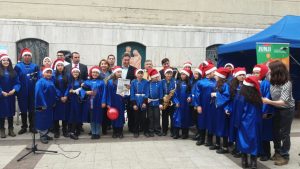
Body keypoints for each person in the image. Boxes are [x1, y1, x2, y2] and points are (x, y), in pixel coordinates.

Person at [262, 60, 295, 166]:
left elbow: (283, 102)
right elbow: (260, 75)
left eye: (270, 69)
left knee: (284, 133)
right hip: (275, 108)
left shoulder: (287, 84)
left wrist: (268, 101)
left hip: (286, 109)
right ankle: (277, 152)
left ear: (276, 70)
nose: (268, 71)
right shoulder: (270, 78)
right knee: (275, 131)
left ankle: (285, 156)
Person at [236, 76, 262, 169]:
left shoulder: (241, 95)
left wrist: (236, 122)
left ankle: (244, 160)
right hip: (255, 122)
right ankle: (254, 162)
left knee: (243, 140)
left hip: (244, 122)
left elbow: (239, 111)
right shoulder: (258, 95)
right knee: (254, 140)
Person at [14, 48, 39, 134]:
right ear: (23, 57)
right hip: (22, 92)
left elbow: (38, 78)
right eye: (25, 55)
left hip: (32, 92)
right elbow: (15, 79)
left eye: (29, 55)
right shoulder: (18, 66)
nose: (27, 57)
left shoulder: (35, 66)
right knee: (23, 110)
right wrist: (17, 90)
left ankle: (32, 126)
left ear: (31, 57)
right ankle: (24, 126)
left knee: (32, 110)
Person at [252, 64, 274, 161]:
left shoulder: (266, 84)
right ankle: (259, 151)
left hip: (266, 113)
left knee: (265, 132)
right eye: (254, 73)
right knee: (258, 132)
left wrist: (263, 112)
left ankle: (266, 153)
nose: (256, 74)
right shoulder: (254, 83)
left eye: (258, 73)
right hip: (258, 112)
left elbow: (267, 99)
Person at [194, 63, 217, 146]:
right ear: (209, 72)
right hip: (203, 105)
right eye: (214, 71)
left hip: (213, 106)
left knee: (211, 122)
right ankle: (201, 139)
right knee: (202, 121)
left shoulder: (216, 81)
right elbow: (197, 94)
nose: (215, 73)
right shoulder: (200, 82)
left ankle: (209, 140)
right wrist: (198, 105)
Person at [82, 66, 106, 139]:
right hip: (90, 103)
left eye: (96, 72)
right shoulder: (87, 82)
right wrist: (86, 92)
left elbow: (104, 92)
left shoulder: (102, 82)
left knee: (98, 117)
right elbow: (81, 90)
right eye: (93, 72)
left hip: (98, 102)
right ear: (91, 73)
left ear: (98, 74)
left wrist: (103, 102)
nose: (94, 74)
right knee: (92, 118)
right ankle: (93, 132)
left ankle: (97, 132)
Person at [227, 67, 246, 158]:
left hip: (242, 112)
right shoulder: (232, 85)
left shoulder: (247, 86)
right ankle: (236, 147)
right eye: (240, 75)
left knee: (241, 130)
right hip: (234, 111)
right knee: (234, 129)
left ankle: (241, 149)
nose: (242, 76)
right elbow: (229, 100)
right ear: (236, 76)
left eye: (243, 75)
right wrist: (228, 109)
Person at [0, 54, 20, 138]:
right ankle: (2, 129)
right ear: (1, 61)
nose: (6, 61)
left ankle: (11, 129)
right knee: (1, 113)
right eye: (4, 60)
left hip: (10, 95)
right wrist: (1, 91)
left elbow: (17, 83)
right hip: (1, 96)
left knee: (11, 113)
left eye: (7, 60)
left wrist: (14, 90)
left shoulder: (13, 72)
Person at [211, 67, 231, 154]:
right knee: (217, 126)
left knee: (223, 127)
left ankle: (225, 147)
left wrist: (216, 94)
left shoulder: (226, 85)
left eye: (216, 75)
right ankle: (217, 144)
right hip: (217, 109)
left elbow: (227, 96)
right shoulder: (217, 84)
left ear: (220, 76)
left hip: (222, 109)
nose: (214, 76)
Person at [35, 66, 57, 144]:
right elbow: (39, 94)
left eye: (50, 72)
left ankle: (45, 134)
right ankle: (42, 135)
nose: (49, 74)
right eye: (47, 72)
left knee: (48, 119)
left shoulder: (51, 81)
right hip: (42, 105)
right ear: (43, 73)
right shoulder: (40, 82)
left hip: (49, 105)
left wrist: (54, 101)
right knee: (42, 119)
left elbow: (54, 92)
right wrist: (43, 104)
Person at [173, 68, 193, 139]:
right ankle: (176, 133)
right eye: (181, 74)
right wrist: (176, 102)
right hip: (179, 104)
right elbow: (175, 94)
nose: (182, 75)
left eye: (184, 74)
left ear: (187, 75)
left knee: (185, 118)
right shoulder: (178, 83)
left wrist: (190, 97)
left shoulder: (190, 83)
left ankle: (185, 134)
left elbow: (191, 93)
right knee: (177, 118)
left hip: (186, 105)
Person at [107, 66, 126, 138]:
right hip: (112, 102)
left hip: (120, 101)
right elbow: (107, 93)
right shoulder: (109, 82)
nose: (119, 73)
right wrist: (108, 103)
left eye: (120, 72)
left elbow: (126, 93)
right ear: (114, 73)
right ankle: (114, 131)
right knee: (113, 116)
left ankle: (120, 131)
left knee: (120, 116)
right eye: (118, 72)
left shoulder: (124, 81)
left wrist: (124, 94)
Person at [52, 59, 70, 138]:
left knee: (65, 115)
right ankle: (56, 131)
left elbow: (69, 86)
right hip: (57, 98)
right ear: (56, 66)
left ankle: (64, 131)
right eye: (58, 65)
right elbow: (53, 87)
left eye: (61, 65)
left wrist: (65, 95)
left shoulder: (67, 75)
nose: (60, 67)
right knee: (56, 116)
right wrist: (60, 96)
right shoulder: (53, 75)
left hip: (65, 99)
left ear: (64, 66)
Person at [130, 69, 149, 138]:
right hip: (136, 100)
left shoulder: (146, 82)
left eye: (141, 73)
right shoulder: (133, 82)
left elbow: (147, 92)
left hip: (143, 100)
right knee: (136, 118)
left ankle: (145, 131)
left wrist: (144, 102)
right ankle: (136, 131)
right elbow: (132, 93)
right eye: (139, 73)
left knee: (144, 118)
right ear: (136, 74)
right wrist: (134, 104)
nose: (140, 75)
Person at [67, 67, 84, 140]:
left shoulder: (81, 81)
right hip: (71, 100)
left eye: (77, 72)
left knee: (78, 114)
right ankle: (72, 131)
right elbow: (67, 89)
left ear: (79, 73)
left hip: (78, 100)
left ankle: (77, 130)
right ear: (72, 73)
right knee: (72, 115)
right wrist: (69, 92)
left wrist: (78, 91)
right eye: (74, 72)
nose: (75, 73)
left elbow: (83, 91)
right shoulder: (70, 81)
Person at [121, 53, 136, 133]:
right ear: (122, 60)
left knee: (131, 111)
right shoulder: (118, 68)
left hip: (129, 93)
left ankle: (131, 127)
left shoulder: (134, 69)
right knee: (120, 110)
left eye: (127, 60)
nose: (126, 61)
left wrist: (131, 85)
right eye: (125, 60)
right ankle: (119, 128)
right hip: (119, 93)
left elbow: (135, 81)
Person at [147, 68, 163, 137]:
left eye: (157, 77)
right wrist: (147, 98)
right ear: (152, 77)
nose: (157, 78)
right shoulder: (148, 83)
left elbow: (161, 94)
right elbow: (146, 92)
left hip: (157, 103)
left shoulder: (159, 84)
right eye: (156, 77)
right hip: (150, 103)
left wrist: (160, 103)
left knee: (157, 116)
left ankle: (157, 130)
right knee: (150, 117)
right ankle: (151, 130)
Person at [161, 68, 177, 137]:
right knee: (164, 117)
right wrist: (163, 99)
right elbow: (160, 91)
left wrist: (174, 100)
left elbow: (176, 93)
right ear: (165, 74)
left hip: (172, 102)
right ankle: (164, 130)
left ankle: (173, 131)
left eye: (170, 74)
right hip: (165, 101)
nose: (169, 75)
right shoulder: (162, 82)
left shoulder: (175, 82)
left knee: (172, 117)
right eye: (168, 73)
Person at [98, 59, 112, 135]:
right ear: (100, 65)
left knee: (106, 112)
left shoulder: (111, 73)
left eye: (105, 64)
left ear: (108, 65)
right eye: (102, 63)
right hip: (100, 95)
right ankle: (97, 128)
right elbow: (103, 82)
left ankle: (105, 128)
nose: (104, 65)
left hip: (109, 94)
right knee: (100, 112)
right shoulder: (97, 73)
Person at [191, 68, 202, 140]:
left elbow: (198, 95)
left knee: (199, 119)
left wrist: (196, 104)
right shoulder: (193, 82)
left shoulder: (200, 82)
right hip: (193, 103)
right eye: (194, 73)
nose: (195, 75)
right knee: (195, 119)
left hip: (197, 104)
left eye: (197, 74)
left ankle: (200, 134)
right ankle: (197, 132)